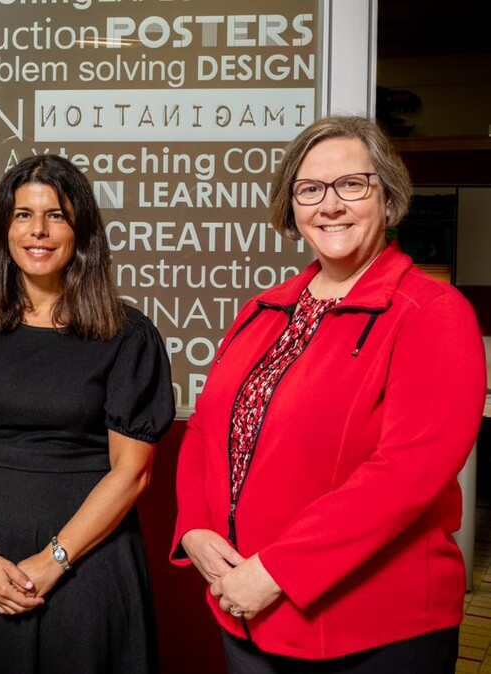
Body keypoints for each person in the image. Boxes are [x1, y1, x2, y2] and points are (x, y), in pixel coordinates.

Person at [171, 115, 487, 673]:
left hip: (372, 634)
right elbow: (204, 429)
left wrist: (274, 573)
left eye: (352, 185)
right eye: (310, 189)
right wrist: (195, 527)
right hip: (246, 616)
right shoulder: (263, 311)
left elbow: (405, 475)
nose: (330, 204)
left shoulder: (432, 314)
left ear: (388, 198)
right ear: (291, 207)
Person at [0, 154, 174, 673]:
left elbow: (132, 473)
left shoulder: (127, 335)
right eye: (22, 215)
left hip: (87, 564)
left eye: (55, 215)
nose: (38, 231)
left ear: (80, 229)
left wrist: (54, 559)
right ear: (4, 229)